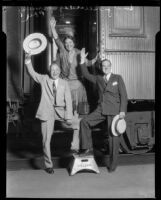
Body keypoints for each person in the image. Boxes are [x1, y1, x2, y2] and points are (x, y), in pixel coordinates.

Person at [25, 53, 80, 174]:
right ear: (49, 71)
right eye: (52, 69)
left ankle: (76, 151)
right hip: (46, 112)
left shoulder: (64, 83)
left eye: (56, 69)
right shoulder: (44, 78)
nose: (54, 71)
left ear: (59, 71)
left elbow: (68, 101)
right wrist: (28, 60)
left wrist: (69, 117)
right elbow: (32, 73)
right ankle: (49, 165)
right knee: (46, 140)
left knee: (78, 124)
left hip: (61, 112)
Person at [79, 48, 128, 172]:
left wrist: (122, 111)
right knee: (84, 122)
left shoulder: (118, 78)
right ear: (101, 67)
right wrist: (82, 61)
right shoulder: (99, 78)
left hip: (114, 111)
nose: (105, 67)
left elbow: (124, 96)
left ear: (110, 67)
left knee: (113, 140)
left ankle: (113, 165)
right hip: (101, 109)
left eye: (107, 66)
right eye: (103, 66)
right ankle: (86, 148)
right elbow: (85, 74)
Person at [49, 16, 98, 115]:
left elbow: (87, 63)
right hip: (65, 83)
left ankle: (77, 124)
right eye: (66, 43)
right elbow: (57, 39)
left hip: (77, 84)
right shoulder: (62, 51)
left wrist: (96, 58)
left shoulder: (79, 52)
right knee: (66, 109)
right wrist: (52, 28)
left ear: (74, 43)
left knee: (78, 111)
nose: (68, 45)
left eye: (70, 42)